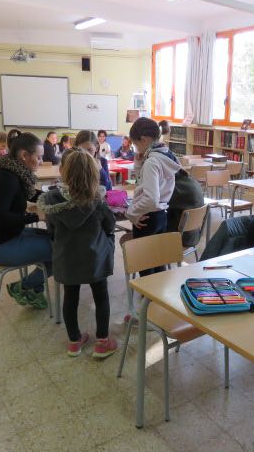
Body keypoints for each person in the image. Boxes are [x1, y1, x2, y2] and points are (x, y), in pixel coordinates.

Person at [38, 149, 118, 359]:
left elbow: (51, 230)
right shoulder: (97, 200)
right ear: (94, 174)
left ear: (63, 172)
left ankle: (74, 342)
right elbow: (110, 225)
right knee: (101, 296)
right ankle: (102, 342)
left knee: (70, 297)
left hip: (67, 257)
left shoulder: (52, 201)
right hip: (95, 257)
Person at [0, 130, 51, 308]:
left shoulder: (9, 171)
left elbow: (29, 193)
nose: (41, 162)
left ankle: (34, 291)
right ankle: (25, 286)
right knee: (62, 249)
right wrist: (35, 216)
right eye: (39, 157)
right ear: (24, 155)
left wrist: (53, 196)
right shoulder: (7, 179)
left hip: (0, 238)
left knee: (54, 238)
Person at [126, 117, 181, 275]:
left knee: (145, 269)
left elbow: (151, 199)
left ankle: (148, 292)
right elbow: (146, 182)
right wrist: (139, 164)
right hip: (161, 215)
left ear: (144, 139)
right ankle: (158, 290)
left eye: (136, 144)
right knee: (157, 261)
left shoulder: (152, 161)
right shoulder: (166, 155)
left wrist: (131, 212)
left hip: (146, 218)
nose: (136, 148)